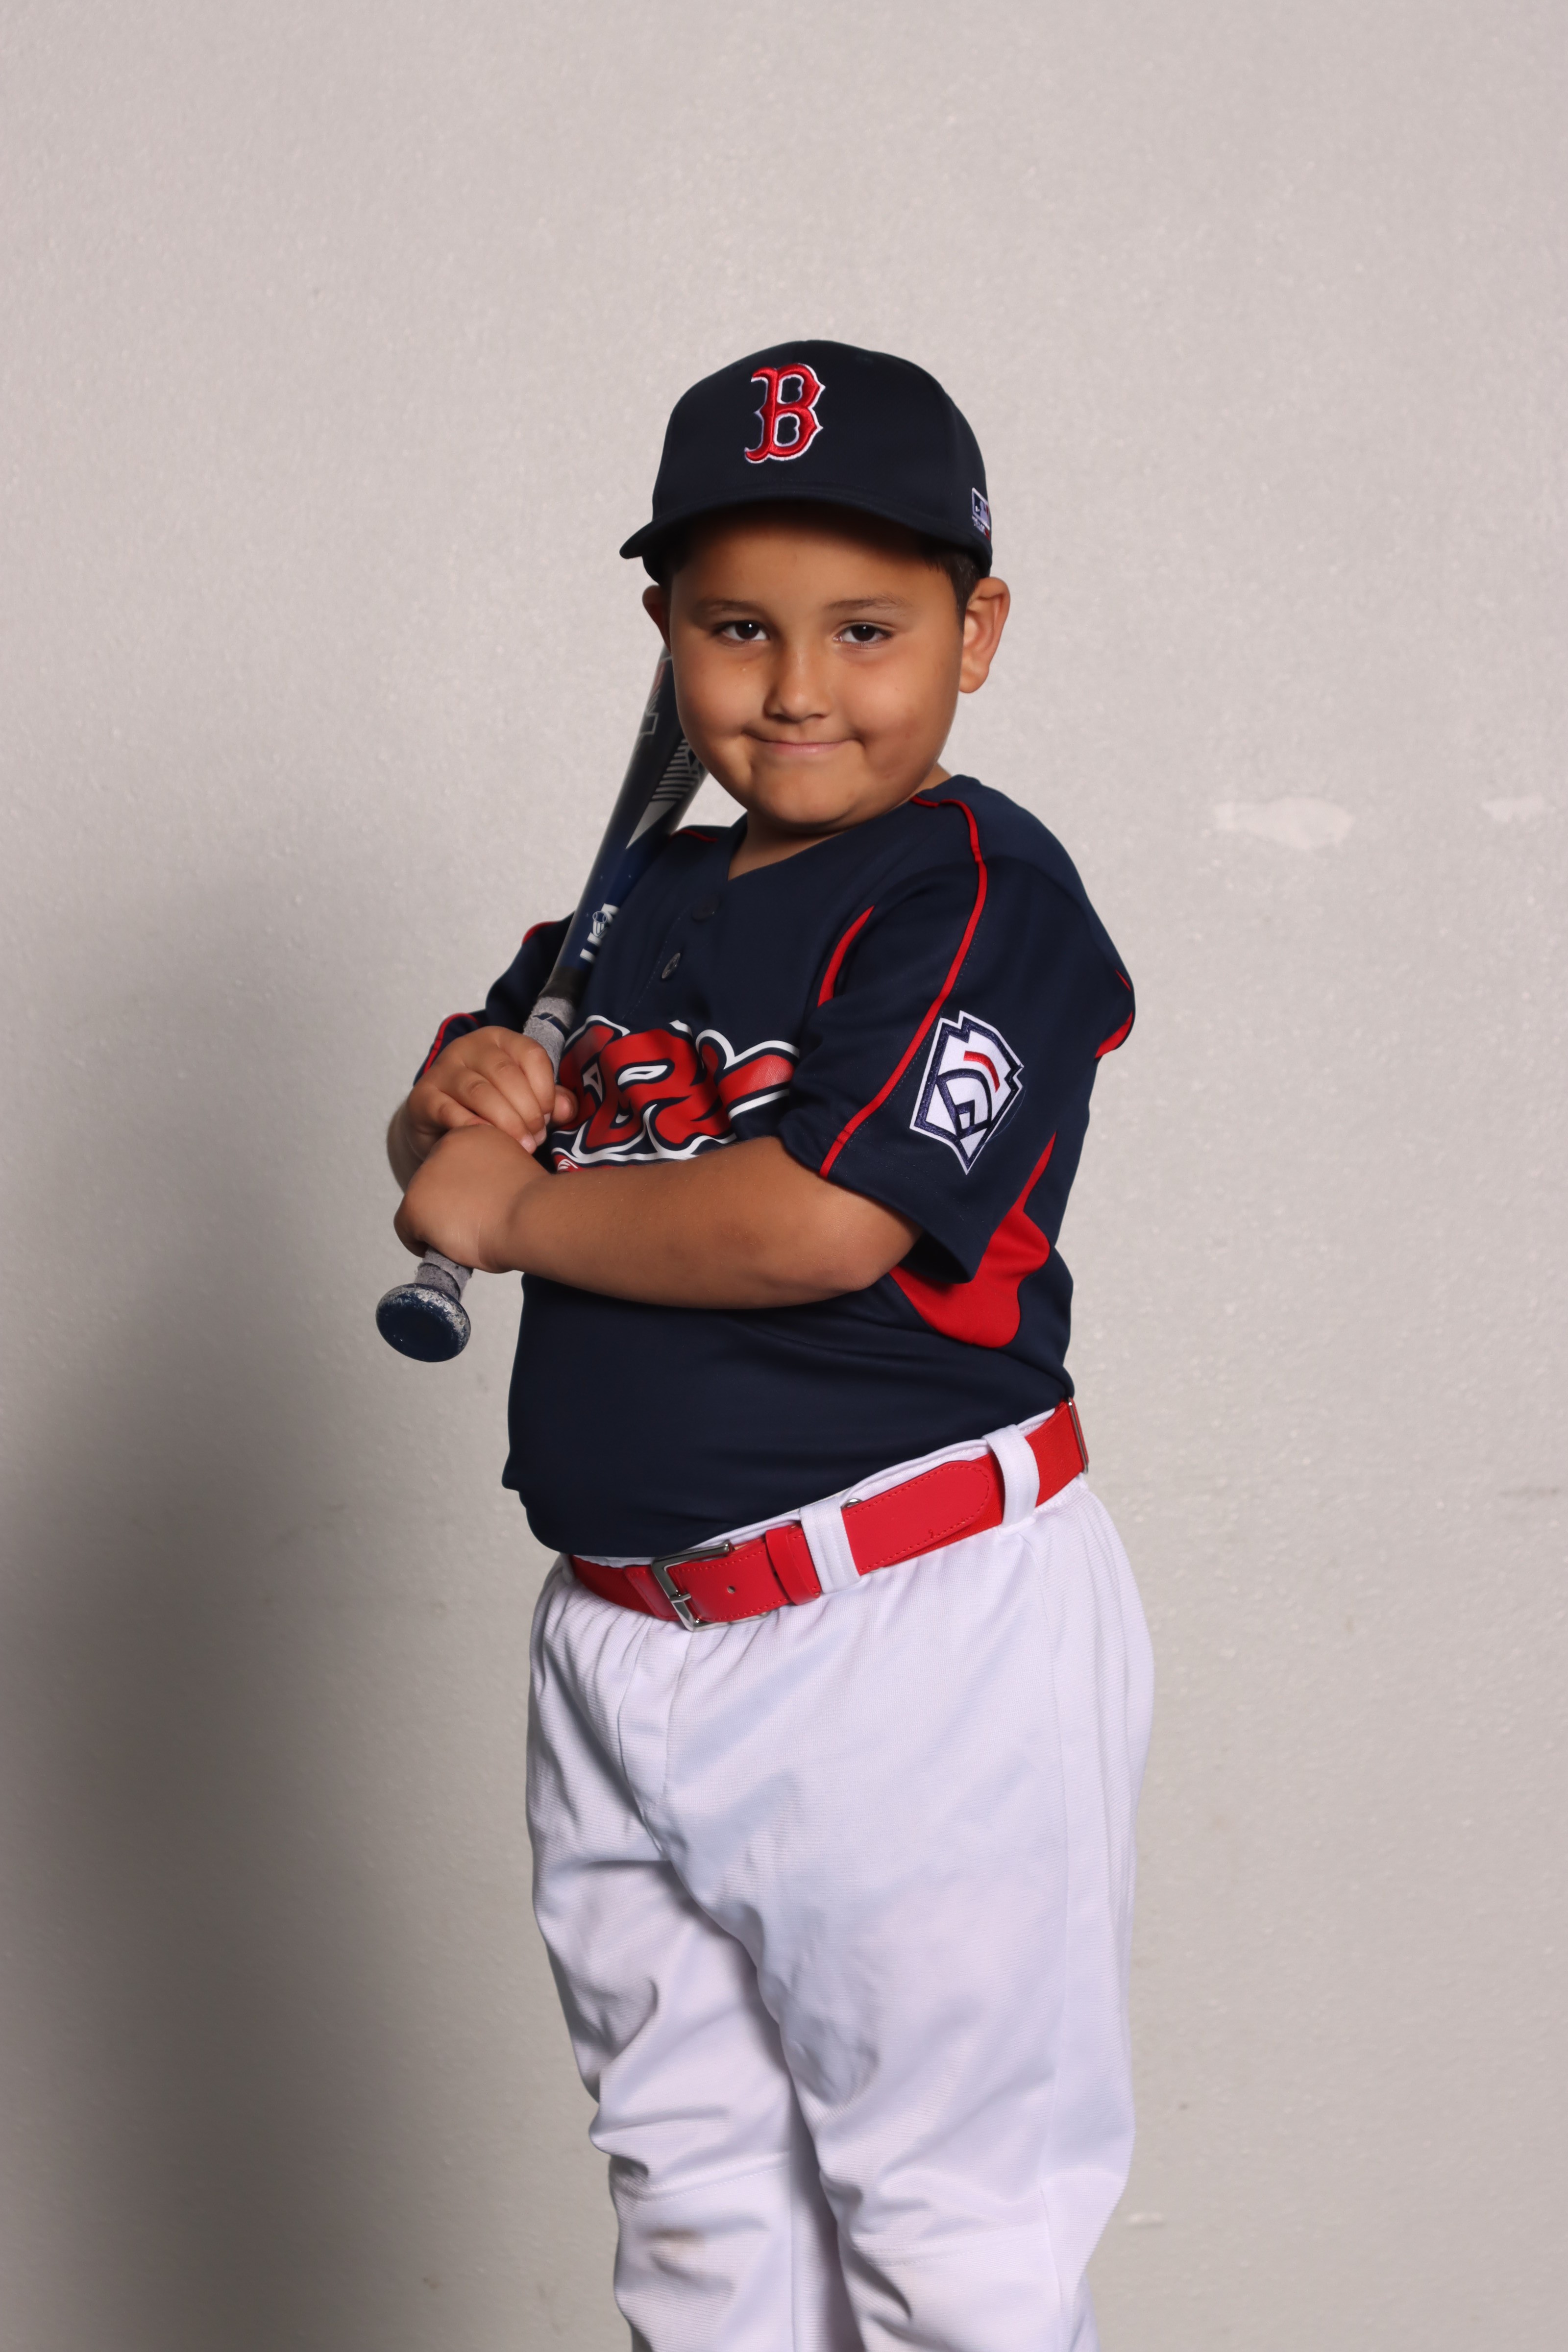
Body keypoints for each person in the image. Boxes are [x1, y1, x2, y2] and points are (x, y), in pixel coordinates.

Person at [388, 341, 1152, 2352]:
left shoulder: (979, 890)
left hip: (902, 1623)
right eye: (738, 628)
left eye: (865, 628)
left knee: (954, 2234)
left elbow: (820, 1224)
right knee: (696, 2210)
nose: (799, 684)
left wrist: (509, 1212)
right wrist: (456, 1103)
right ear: (665, 634)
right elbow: (465, 1137)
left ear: (977, 632)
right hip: (619, 1631)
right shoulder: (633, 900)